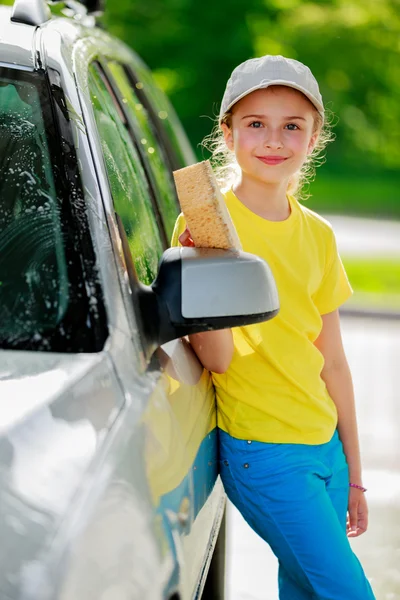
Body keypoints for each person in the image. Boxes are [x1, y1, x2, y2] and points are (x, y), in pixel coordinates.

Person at [171, 55, 376, 599]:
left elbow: (332, 361)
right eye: (256, 123)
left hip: (323, 446)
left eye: (293, 126)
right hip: (265, 452)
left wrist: (353, 472)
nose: (273, 139)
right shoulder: (206, 226)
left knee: (307, 592)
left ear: (314, 138)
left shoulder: (319, 236)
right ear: (228, 134)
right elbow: (216, 360)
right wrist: (205, 268)